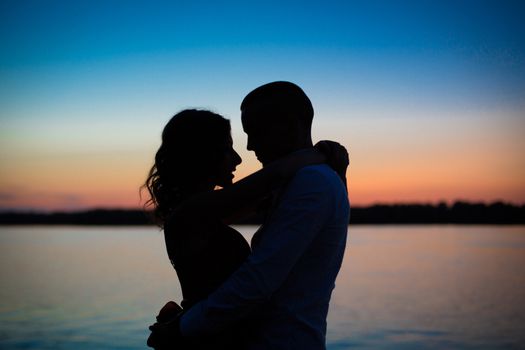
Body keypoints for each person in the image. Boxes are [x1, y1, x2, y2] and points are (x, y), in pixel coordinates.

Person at [148, 82, 350, 349]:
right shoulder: (194, 212)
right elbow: (271, 181)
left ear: (289, 125)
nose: (247, 150)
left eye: (257, 132)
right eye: (229, 147)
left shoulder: (312, 182)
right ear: (202, 155)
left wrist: (182, 326)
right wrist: (317, 155)